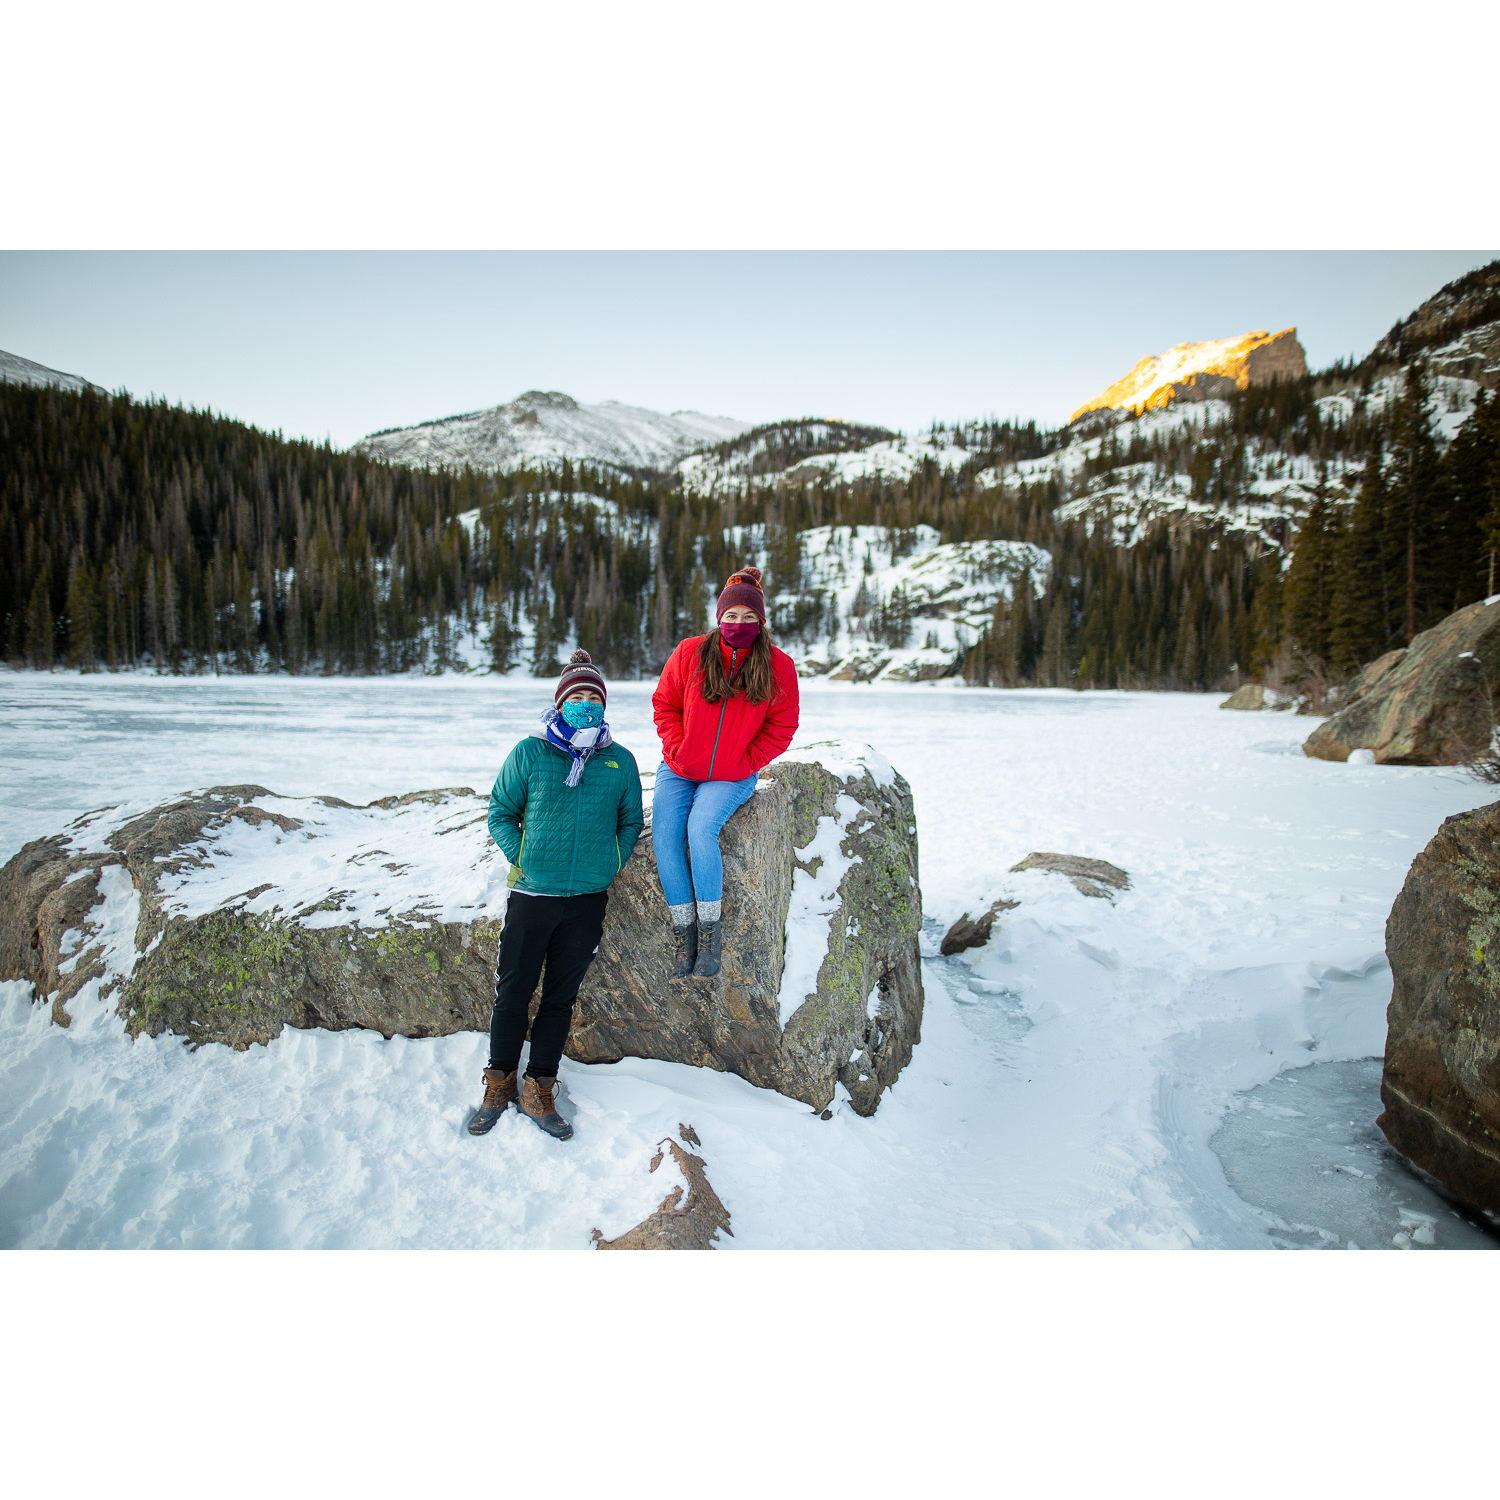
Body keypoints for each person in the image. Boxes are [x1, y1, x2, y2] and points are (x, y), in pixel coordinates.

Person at [468, 649, 643, 1141]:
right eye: (577, 696)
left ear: (604, 704)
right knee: (513, 993)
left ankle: (539, 1085)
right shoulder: (530, 752)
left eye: (594, 696)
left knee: (560, 999)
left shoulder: (619, 761)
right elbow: (500, 811)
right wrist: (520, 857)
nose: (586, 703)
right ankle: (498, 1081)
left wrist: (612, 860)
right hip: (532, 895)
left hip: (586, 899)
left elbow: (631, 820)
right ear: (561, 702)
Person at [651, 565, 800, 979]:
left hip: (732, 775)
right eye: (731, 617)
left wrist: (745, 761)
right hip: (679, 769)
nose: (739, 624)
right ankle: (685, 934)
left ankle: (711, 932)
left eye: (748, 618)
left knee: (700, 830)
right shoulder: (690, 652)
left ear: (761, 621)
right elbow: (665, 704)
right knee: (665, 838)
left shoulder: (779, 666)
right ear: (719, 619)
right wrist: (678, 748)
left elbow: (782, 726)